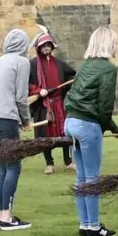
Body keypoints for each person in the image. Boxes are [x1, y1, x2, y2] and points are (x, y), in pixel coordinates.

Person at [64, 26, 118, 236]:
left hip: (70, 121)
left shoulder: (85, 66)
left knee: (82, 178)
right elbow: (104, 106)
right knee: (92, 179)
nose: (117, 46)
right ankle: (93, 226)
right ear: (108, 44)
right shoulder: (107, 69)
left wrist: (113, 128)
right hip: (86, 125)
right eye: (115, 42)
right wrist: (109, 127)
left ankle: (85, 224)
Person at [0, 28, 33, 231]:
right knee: (13, 167)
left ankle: (1, 214)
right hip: (6, 119)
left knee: (3, 167)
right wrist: (26, 121)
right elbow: (21, 97)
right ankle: (6, 218)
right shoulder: (22, 62)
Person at [28, 33, 76, 174]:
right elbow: (27, 84)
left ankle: (68, 161)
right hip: (43, 105)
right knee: (45, 135)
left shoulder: (59, 63)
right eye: (43, 46)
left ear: (52, 47)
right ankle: (49, 163)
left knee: (64, 133)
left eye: (48, 45)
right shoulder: (33, 65)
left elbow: (72, 75)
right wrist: (39, 90)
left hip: (58, 104)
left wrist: (67, 88)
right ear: (39, 48)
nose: (46, 48)